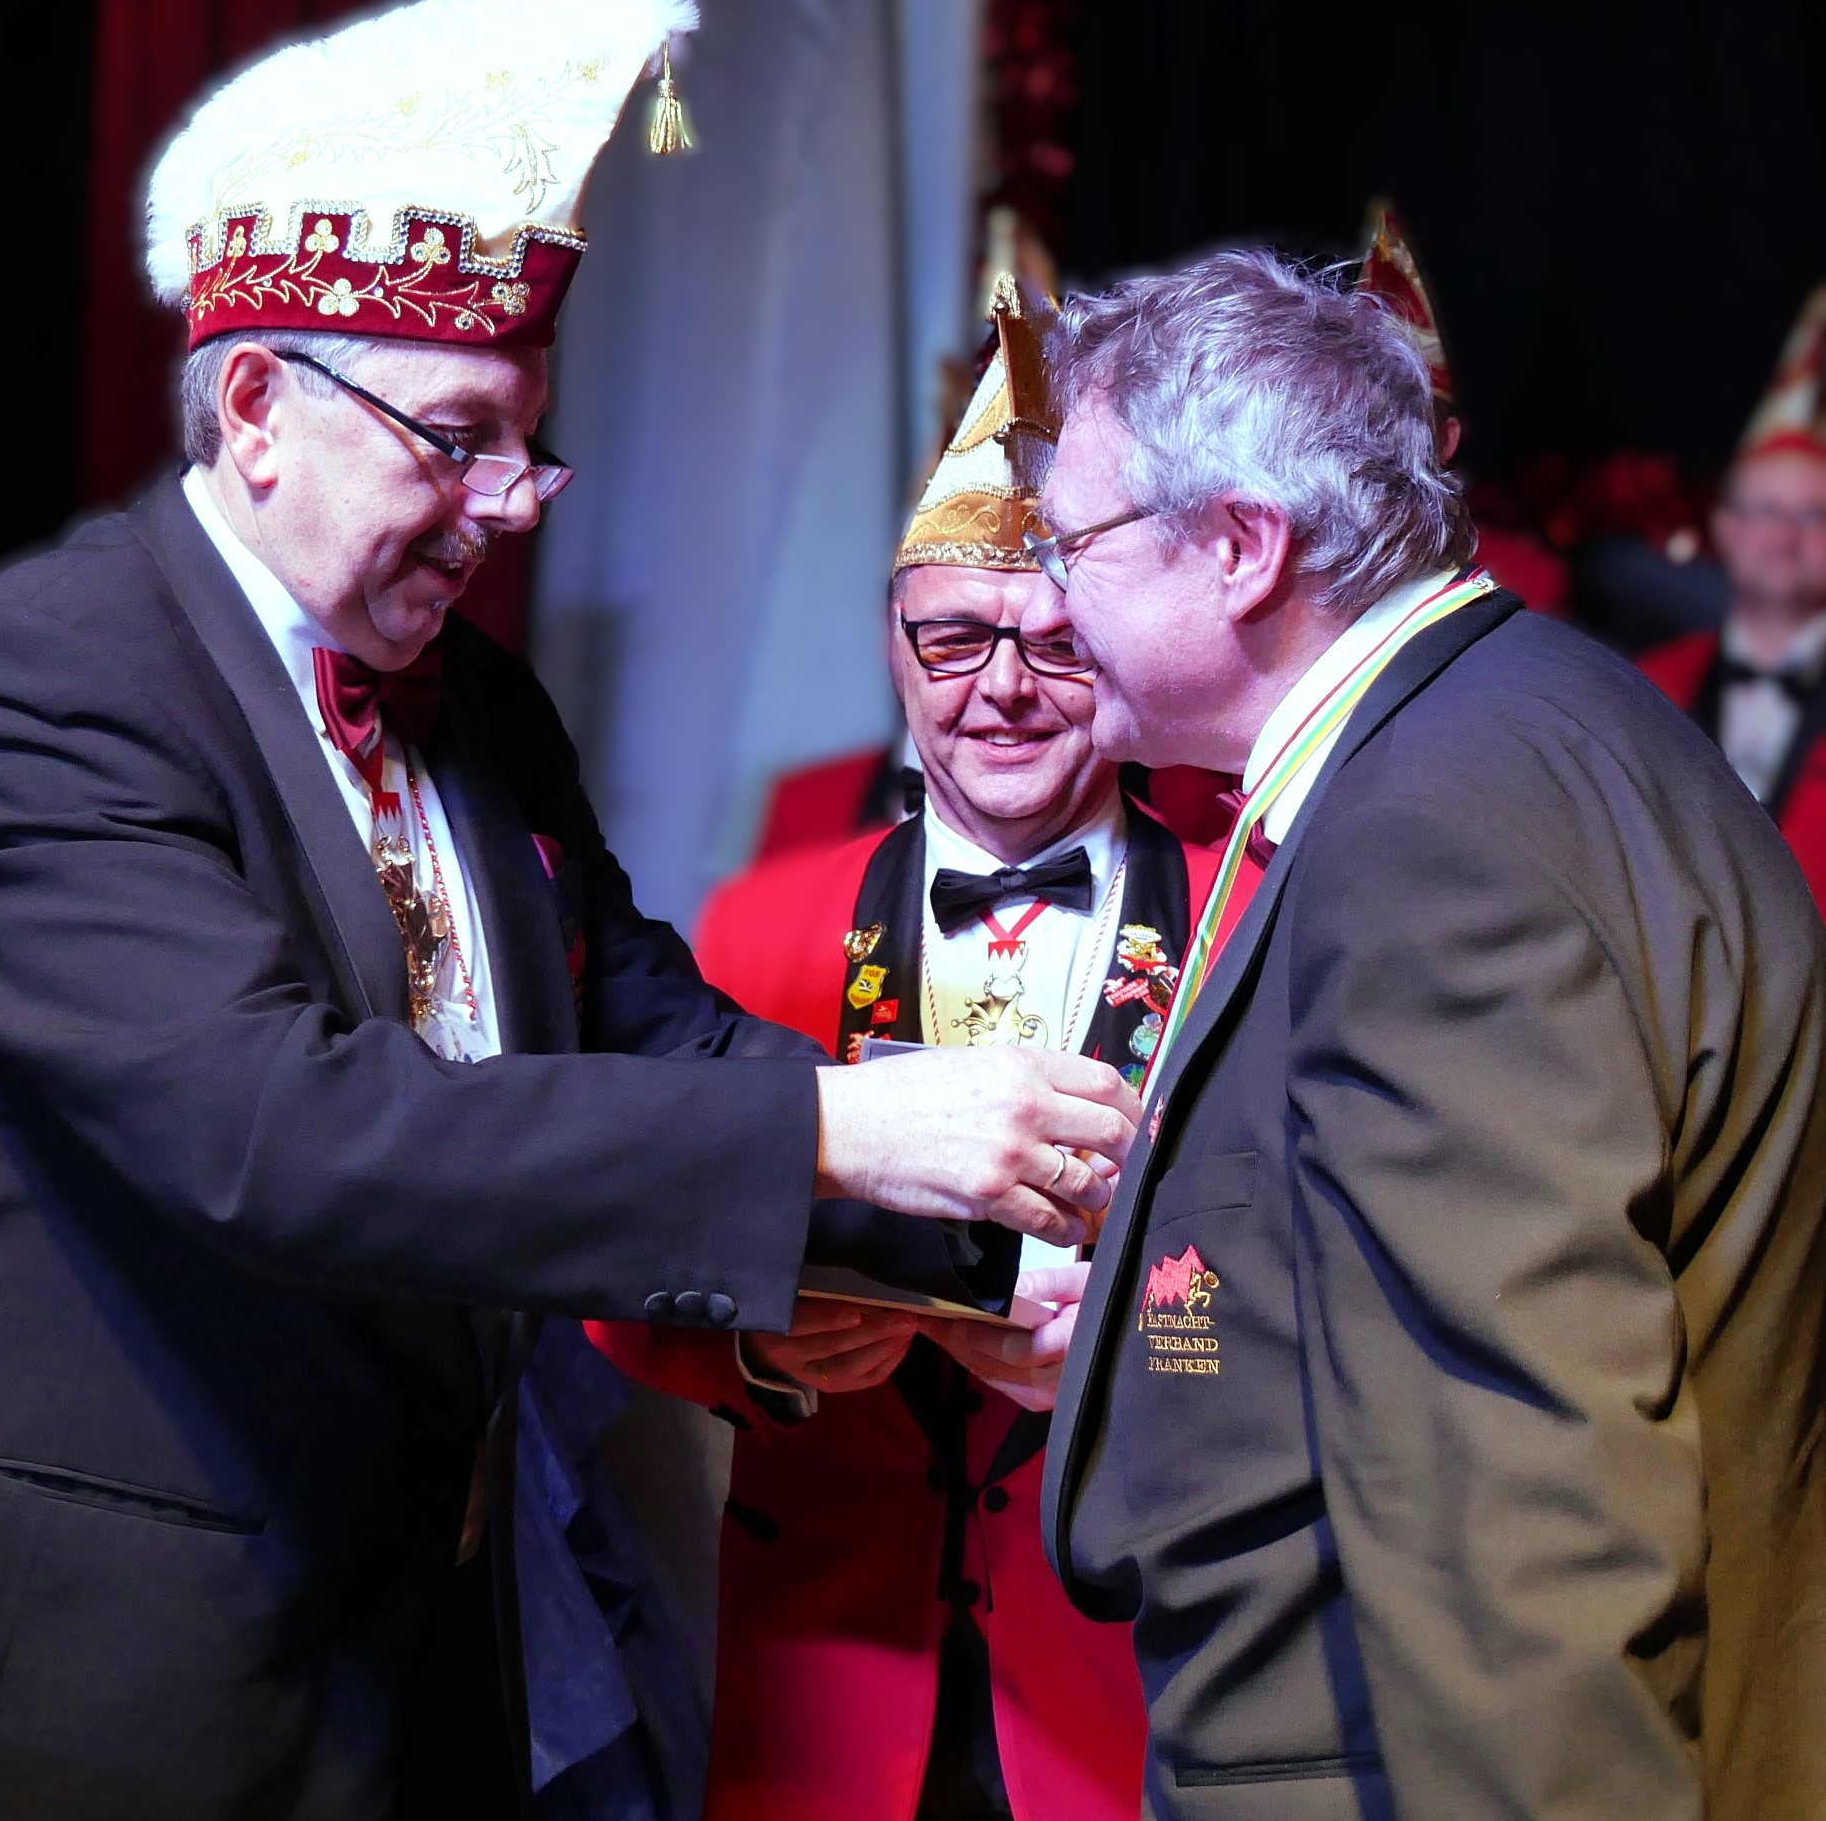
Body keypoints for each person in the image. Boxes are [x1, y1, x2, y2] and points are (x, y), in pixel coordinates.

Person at [0, 0, 1138, 1821]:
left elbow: (643, 1023)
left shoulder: (480, 697)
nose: (503, 506)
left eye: (525, 442)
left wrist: (974, 1266)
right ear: (257, 407)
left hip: (418, 1643)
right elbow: (283, 1132)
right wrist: (844, 1120)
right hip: (99, 1676)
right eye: (452, 437)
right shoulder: (54, 674)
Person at [1023, 248, 1826, 1820]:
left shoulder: (1432, 829)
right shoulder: (1510, 725)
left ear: (1241, 547)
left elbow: (1520, 1489)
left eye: (1074, 548)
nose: (1045, 609)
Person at [594, 276, 1181, 1821]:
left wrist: (1133, 1363)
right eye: (953, 638)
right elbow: (618, 1270)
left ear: (1123, 652)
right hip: (826, 1677)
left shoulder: (1254, 915)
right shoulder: (759, 922)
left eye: (1052, 645)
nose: (997, 689)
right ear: (890, 642)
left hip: (1142, 1682)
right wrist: (762, 1356)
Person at [1641, 286, 1826, 904]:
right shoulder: (1641, 688)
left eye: (1812, 515)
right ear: (1725, 528)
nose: (1784, 536)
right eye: (1765, 509)